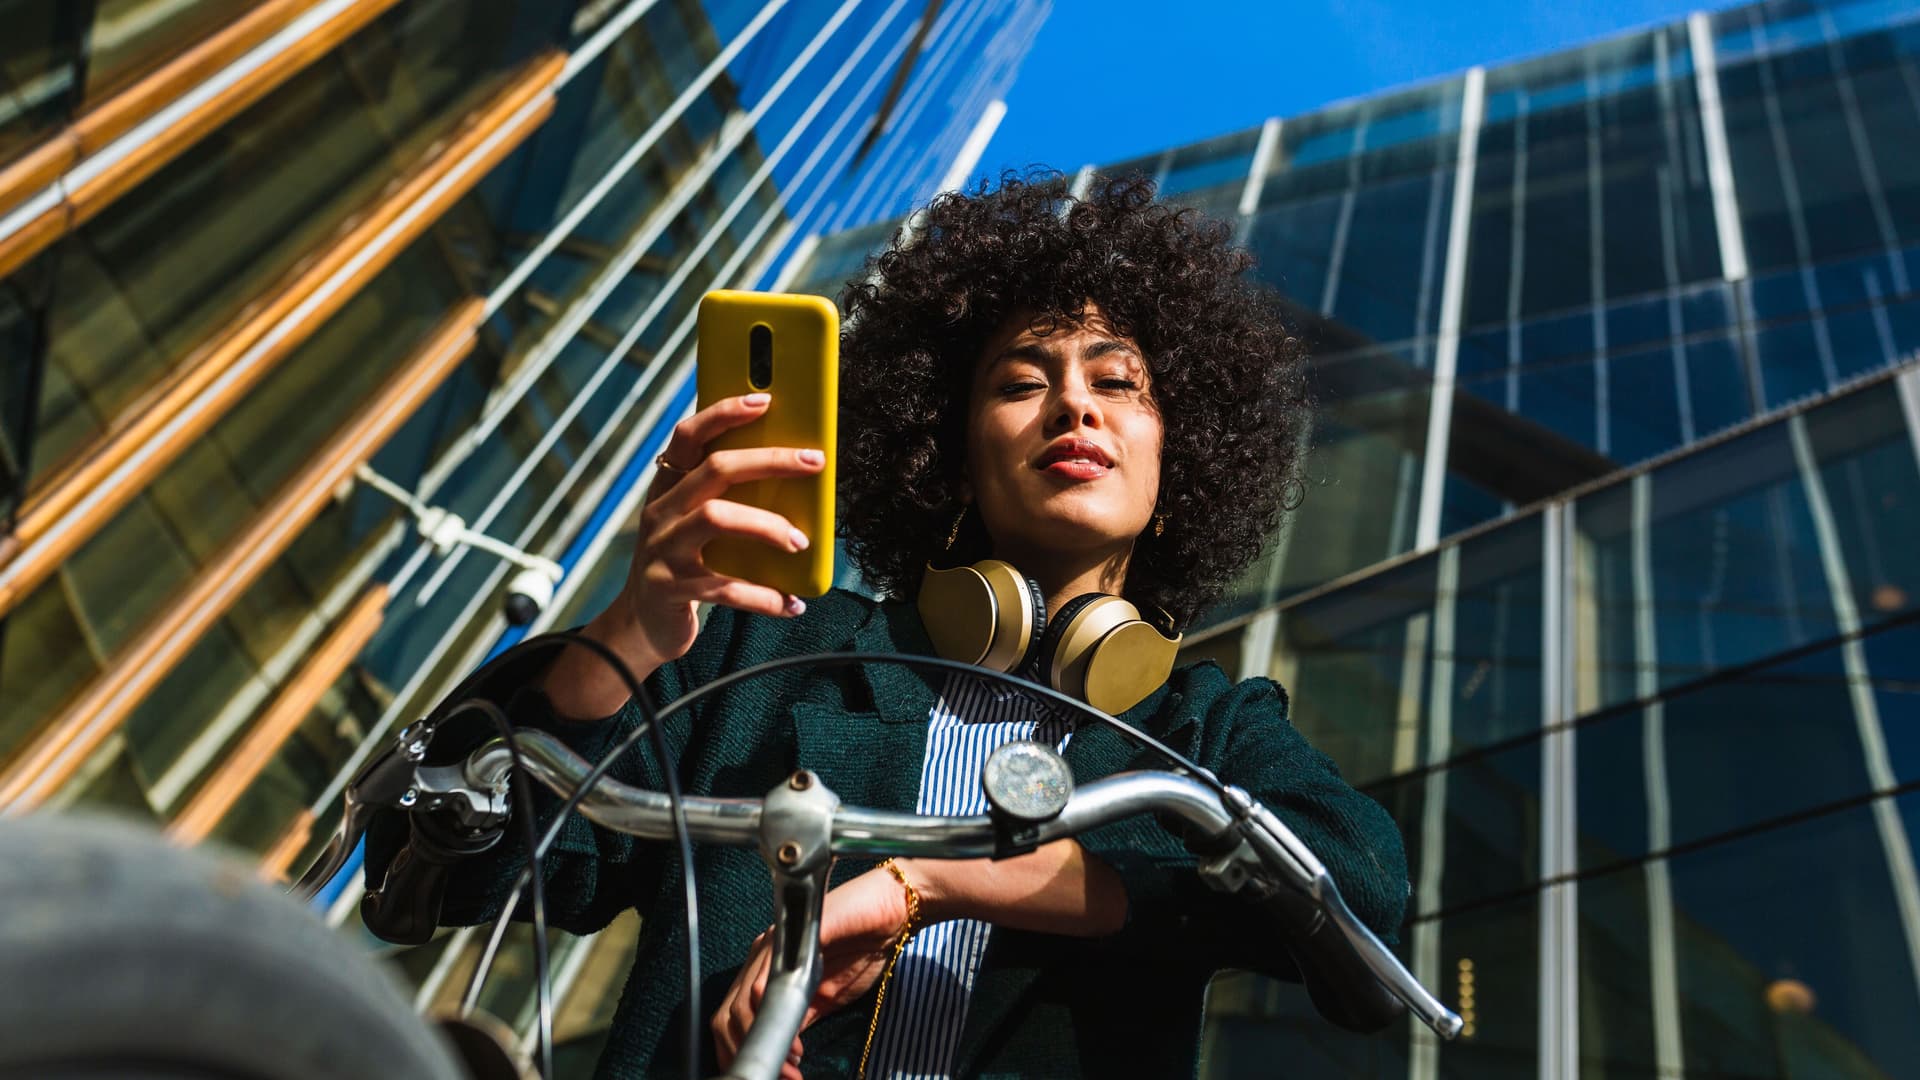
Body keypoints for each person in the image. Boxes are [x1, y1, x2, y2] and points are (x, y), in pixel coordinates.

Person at [367, 172, 1409, 1079]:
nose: (1074, 407)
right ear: (949, 459)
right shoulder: (766, 651)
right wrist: (635, 629)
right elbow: (452, 863)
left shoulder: (1202, 731)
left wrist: (937, 885)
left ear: (1179, 472)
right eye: (1019, 381)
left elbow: (1360, 894)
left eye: (1118, 382)